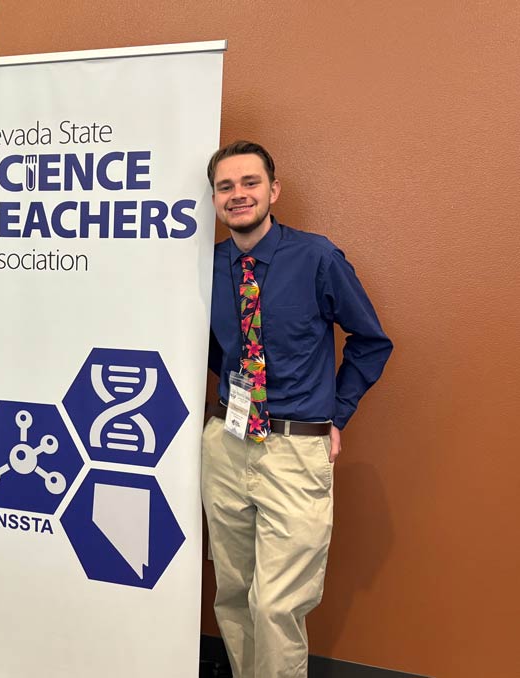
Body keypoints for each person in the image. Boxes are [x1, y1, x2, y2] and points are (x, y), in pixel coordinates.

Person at [201, 141, 393, 677]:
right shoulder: (209, 267)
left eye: (250, 183)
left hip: (296, 449)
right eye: (226, 187)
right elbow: (219, 350)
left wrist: (337, 415)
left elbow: (371, 341)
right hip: (226, 444)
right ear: (215, 199)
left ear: (273, 190)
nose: (238, 195)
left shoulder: (317, 257)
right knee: (234, 595)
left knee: (277, 605)